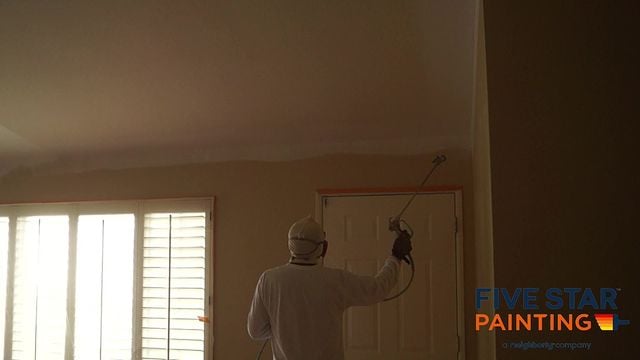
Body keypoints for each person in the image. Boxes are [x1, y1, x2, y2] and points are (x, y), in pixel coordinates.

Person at [247, 215, 413, 360]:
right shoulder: (335, 280)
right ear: (324, 248)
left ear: (290, 246)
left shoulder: (269, 279)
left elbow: (255, 331)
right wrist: (395, 257)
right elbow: (378, 288)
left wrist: (283, 330)